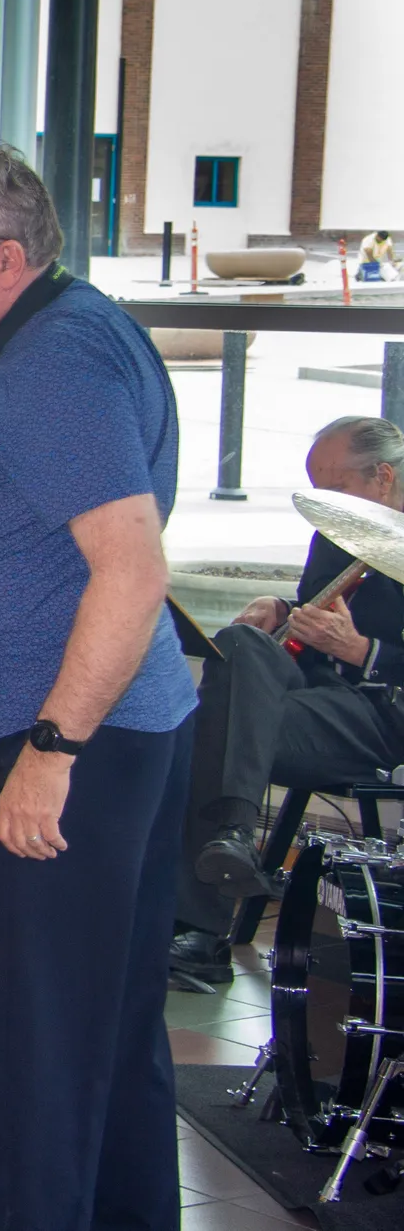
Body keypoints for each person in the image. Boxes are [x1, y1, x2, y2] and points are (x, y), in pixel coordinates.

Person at [0, 138, 196, 1230]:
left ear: (3, 258)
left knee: (25, 1062)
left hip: (60, 745)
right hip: (113, 732)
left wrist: (51, 752)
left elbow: (133, 568)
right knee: (102, 1043)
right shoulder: (71, 329)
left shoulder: (52, 365)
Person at [169, 416, 404, 983]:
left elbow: (362, 637)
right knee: (240, 644)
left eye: (337, 487)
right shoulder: (340, 528)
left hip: (380, 711)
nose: (327, 503)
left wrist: (363, 651)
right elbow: (315, 606)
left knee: (215, 729)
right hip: (315, 692)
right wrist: (280, 609)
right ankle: (232, 835)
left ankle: (202, 925)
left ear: (383, 477)